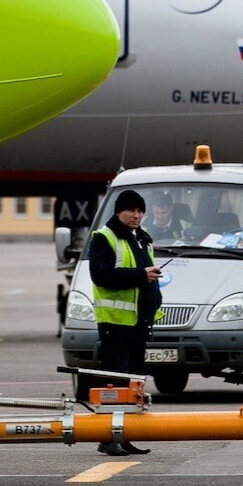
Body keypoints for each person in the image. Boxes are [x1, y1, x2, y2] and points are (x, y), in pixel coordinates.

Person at [87, 189, 164, 456]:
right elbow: (101, 275)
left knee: (134, 386)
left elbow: (145, 275)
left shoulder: (142, 239)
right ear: (118, 212)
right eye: (131, 210)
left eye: (140, 211)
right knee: (116, 385)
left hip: (138, 323)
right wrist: (141, 275)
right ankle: (108, 437)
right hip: (116, 324)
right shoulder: (104, 238)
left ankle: (125, 435)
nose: (136, 215)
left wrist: (155, 294)